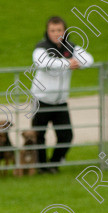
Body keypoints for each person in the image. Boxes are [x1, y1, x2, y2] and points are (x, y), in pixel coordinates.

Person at [29, 17, 94, 173]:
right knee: (38, 136)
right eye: (52, 30)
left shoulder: (71, 47)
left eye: (59, 30)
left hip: (60, 101)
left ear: (64, 31)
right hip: (41, 100)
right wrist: (67, 63)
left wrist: (76, 63)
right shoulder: (41, 47)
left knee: (66, 136)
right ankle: (41, 167)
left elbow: (89, 60)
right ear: (47, 31)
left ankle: (54, 164)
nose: (56, 33)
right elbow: (41, 63)